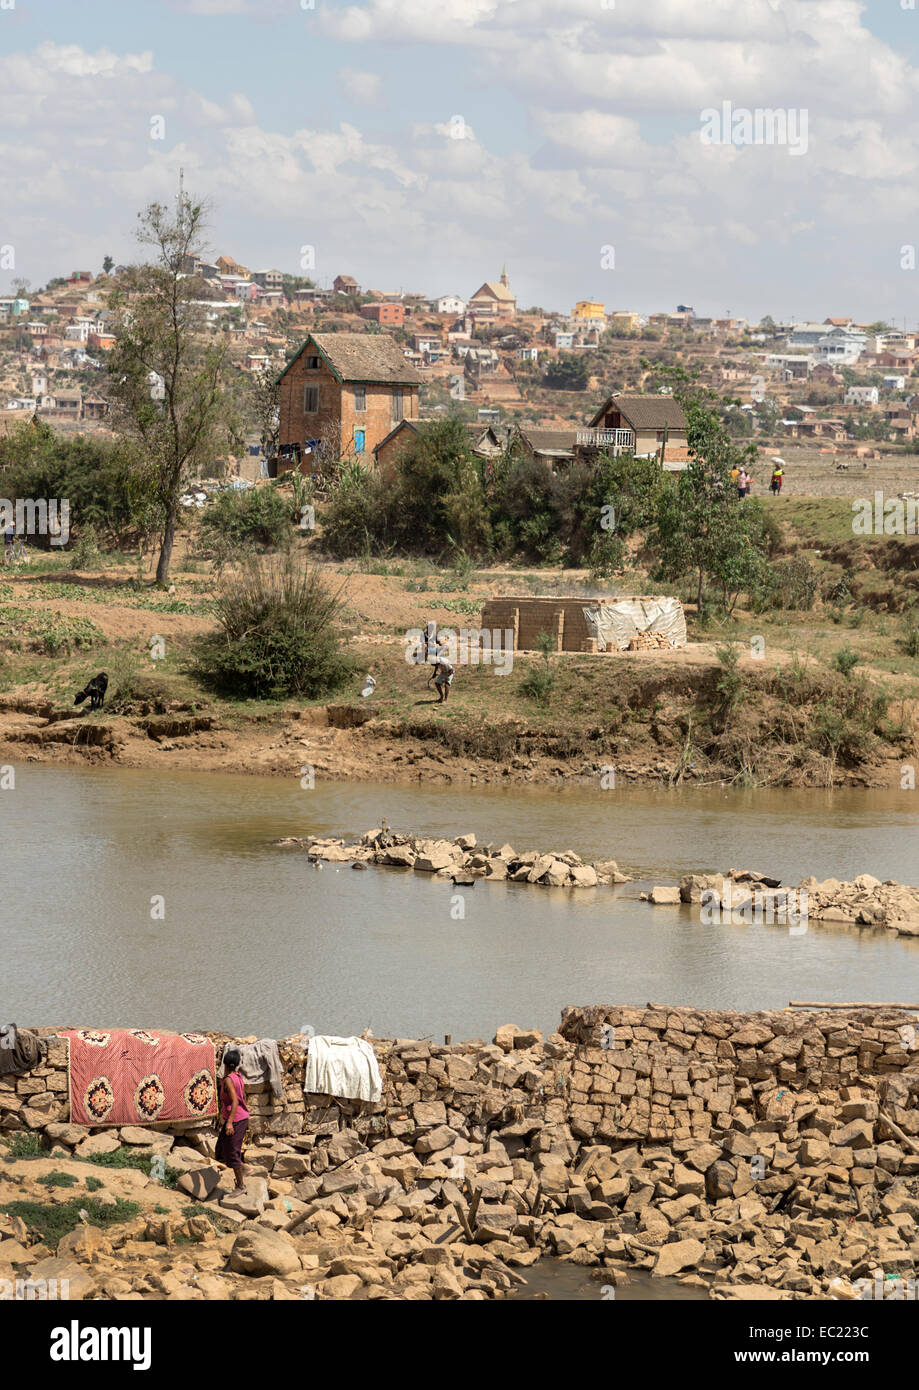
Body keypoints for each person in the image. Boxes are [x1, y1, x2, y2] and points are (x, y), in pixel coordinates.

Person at [216, 1047, 250, 1189]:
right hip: (238, 1118)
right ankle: (244, 1168)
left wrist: (229, 1123)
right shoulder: (237, 1076)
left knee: (232, 1153)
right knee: (221, 1148)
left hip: (235, 1120)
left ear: (224, 1064)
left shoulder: (229, 1080)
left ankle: (241, 1186)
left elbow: (235, 1101)